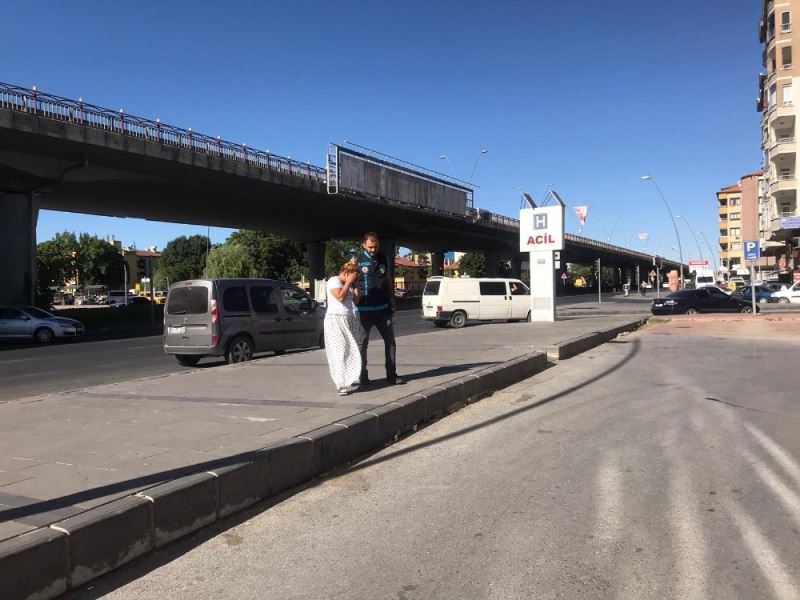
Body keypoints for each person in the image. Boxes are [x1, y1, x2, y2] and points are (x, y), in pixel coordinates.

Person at [355, 232, 404, 385]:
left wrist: (392, 299)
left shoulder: (384, 258)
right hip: (364, 310)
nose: (373, 250)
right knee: (362, 344)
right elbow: (350, 281)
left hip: (383, 309)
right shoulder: (357, 260)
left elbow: (388, 279)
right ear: (364, 245)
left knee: (390, 341)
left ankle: (391, 375)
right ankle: (362, 376)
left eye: (375, 247)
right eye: (370, 247)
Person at [324, 261, 363, 396]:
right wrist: (348, 283)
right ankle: (340, 383)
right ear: (346, 272)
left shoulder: (350, 284)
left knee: (350, 349)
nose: (354, 279)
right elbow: (340, 297)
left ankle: (348, 377)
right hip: (335, 319)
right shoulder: (333, 281)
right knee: (339, 350)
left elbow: (356, 300)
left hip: (348, 319)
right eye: (353, 276)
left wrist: (355, 285)